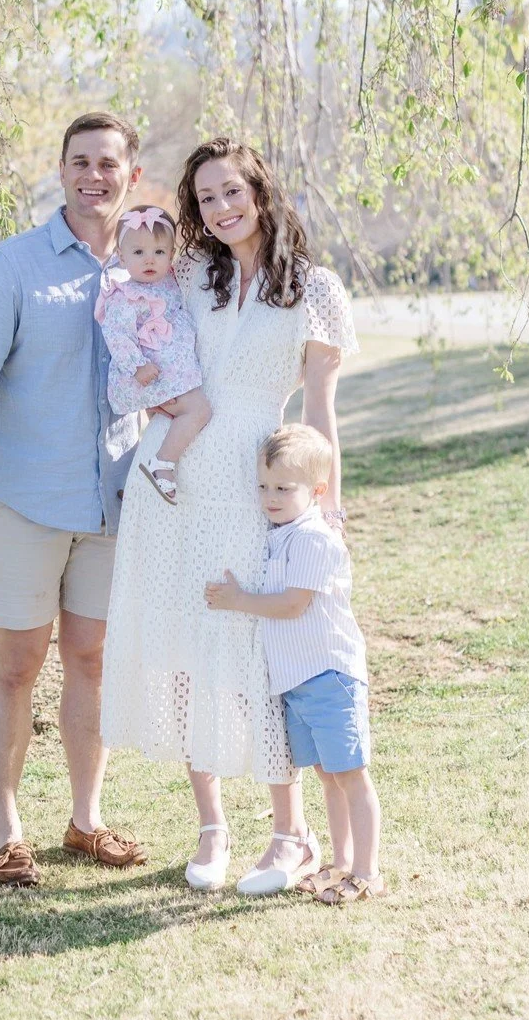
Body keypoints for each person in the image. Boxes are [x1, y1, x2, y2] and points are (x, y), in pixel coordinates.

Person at [100, 136, 358, 894]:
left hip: (258, 484)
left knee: (257, 655)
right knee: (184, 648)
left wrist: (326, 506)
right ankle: (212, 826)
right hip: (171, 482)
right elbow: (129, 303)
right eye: (205, 198)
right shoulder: (185, 273)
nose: (220, 208)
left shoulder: (313, 290)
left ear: (261, 191)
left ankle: (292, 834)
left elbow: (318, 412)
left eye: (231, 192)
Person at [0, 111, 150, 888]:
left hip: (115, 505)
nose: (95, 175)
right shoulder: (14, 267)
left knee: (91, 658)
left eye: (109, 163)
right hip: (25, 500)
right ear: (60, 172)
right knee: (17, 664)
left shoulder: (149, 269)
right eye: (80, 161)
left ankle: (86, 821)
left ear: (132, 176)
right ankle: (3, 830)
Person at [204, 424, 385, 904]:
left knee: (350, 773)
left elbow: (292, 605)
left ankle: (366, 872)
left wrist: (239, 599)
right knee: (327, 774)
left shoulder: (313, 539)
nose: (271, 497)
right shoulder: (279, 534)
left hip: (328, 675)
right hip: (298, 681)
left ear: (317, 491)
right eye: (264, 486)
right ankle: (340, 863)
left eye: (284, 488)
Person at [94, 204, 211, 503]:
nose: (149, 260)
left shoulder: (170, 280)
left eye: (159, 252)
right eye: (138, 253)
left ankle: (165, 456)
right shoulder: (126, 295)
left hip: (169, 368)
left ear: (170, 255)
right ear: (122, 256)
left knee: (193, 409)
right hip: (148, 373)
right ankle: (163, 463)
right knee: (199, 410)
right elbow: (117, 336)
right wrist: (138, 367)